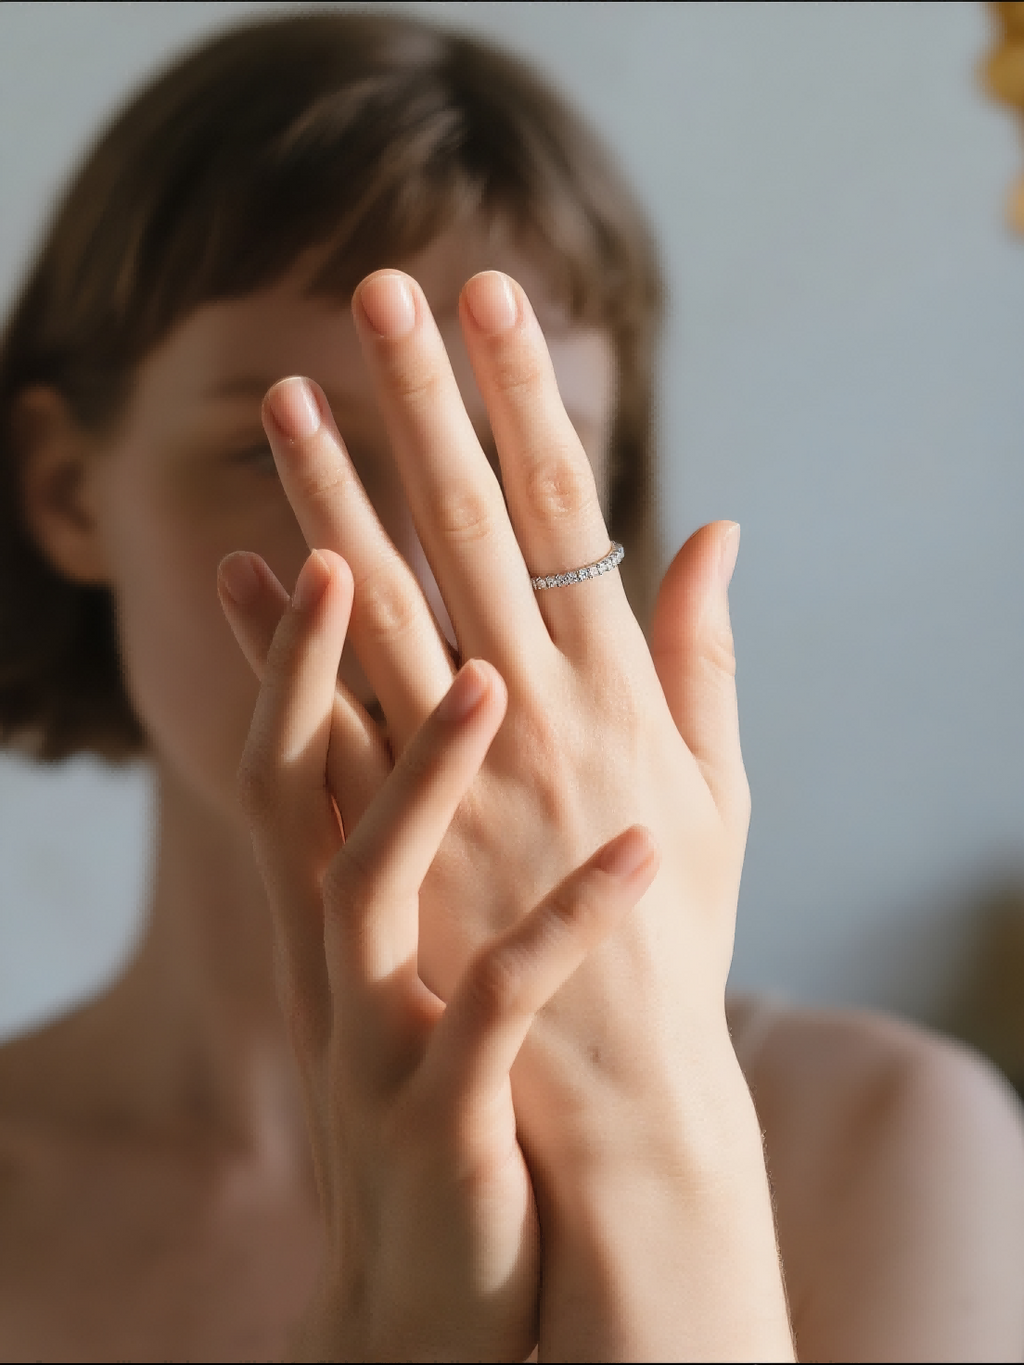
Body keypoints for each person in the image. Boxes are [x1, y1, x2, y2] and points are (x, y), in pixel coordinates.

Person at [1, 11, 1022, 1361]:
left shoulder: (888, 1141)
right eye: (278, 450)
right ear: (69, 491)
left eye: (494, 470)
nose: (412, 580)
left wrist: (649, 1136)